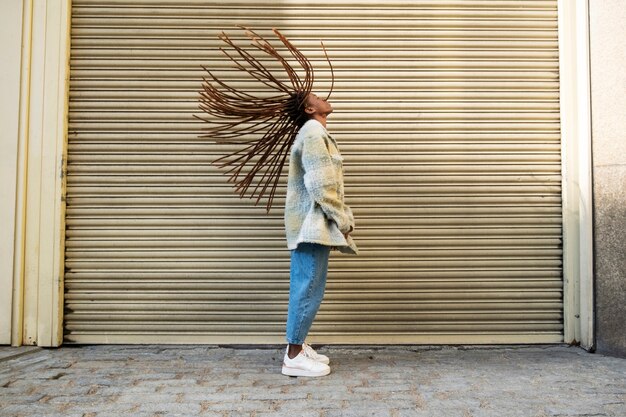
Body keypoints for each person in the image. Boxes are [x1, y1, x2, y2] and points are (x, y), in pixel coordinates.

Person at [282, 93, 358, 377]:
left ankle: (298, 346)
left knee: (307, 287)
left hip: (309, 226)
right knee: (308, 289)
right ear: (309, 108)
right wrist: (342, 219)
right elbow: (321, 184)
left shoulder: (312, 131)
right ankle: (293, 356)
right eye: (315, 96)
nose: (323, 96)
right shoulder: (313, 132)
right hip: (311, 227)